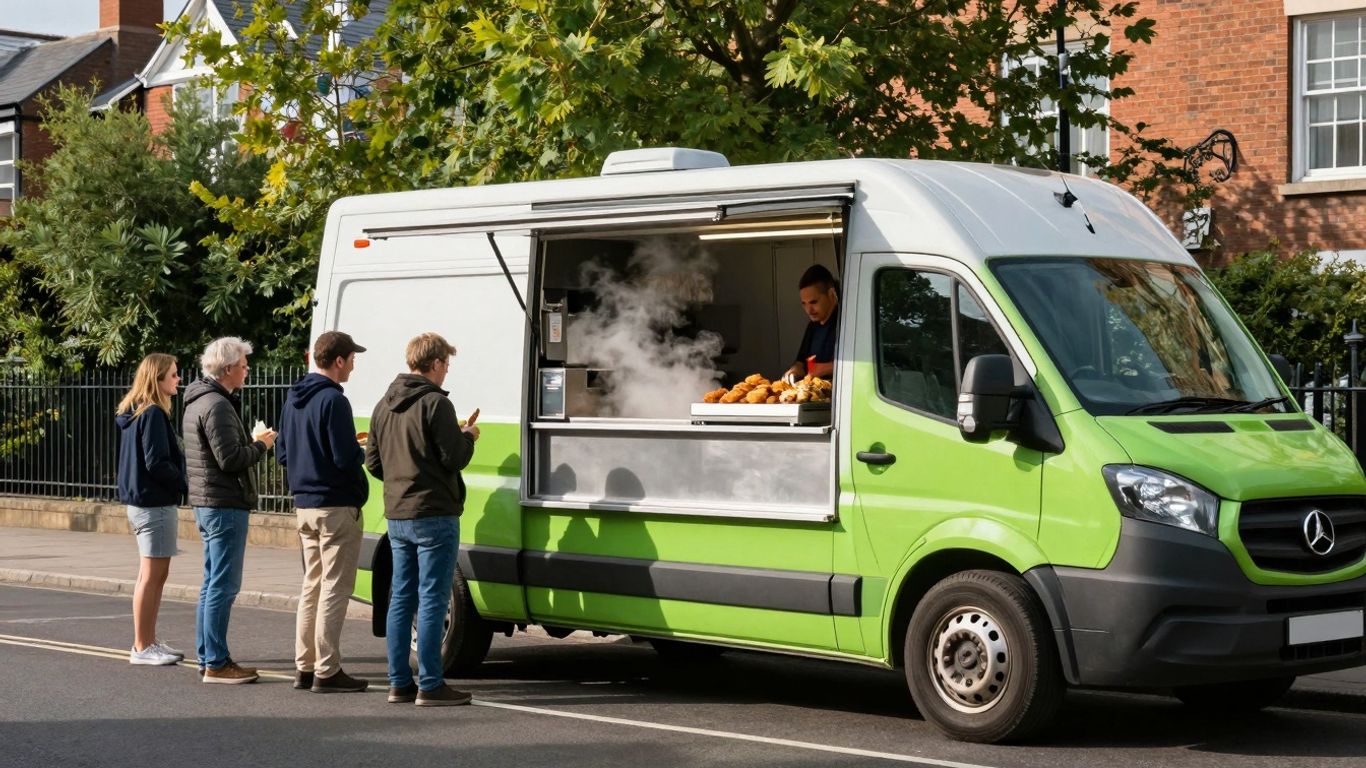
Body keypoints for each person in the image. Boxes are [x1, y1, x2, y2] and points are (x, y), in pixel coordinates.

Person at [366, 332, 480, 707]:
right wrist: (469, 436)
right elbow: (454, 457)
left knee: (401, 597)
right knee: (432, 598)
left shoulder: (384, 405)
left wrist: (402, 480)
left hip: (397, 514)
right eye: (446, 363)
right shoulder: (435, 403)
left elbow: (373, 463)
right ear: (433, 364)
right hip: (434, 513)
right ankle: (430, 684)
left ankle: (399, 683)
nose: (447, 370)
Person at [276, 331, 370, 694]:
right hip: (335, 504)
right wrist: (361, 452)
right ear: (339, 361)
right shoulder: (333, 400)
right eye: (352, 358)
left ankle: (305, 665)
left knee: (311, 585)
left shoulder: (293, 398)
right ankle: (328, 669)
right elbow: (344, 457)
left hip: (304, 504)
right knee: (335, 587)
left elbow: (283, 453)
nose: (354, 365)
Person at [182, 336, 276, 684]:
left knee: (212, 583)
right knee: (223, 585)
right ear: (227, 369)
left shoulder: (198, 400)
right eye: (243, 365)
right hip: (224, 503)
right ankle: (217, 663)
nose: (247, 370)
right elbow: (230, 459)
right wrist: (261, 444)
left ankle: (209, 656)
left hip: (209, 502)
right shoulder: (217, 405)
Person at [116, 353, 188, 667]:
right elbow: (156, 461)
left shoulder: (134, 412)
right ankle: (142, 646)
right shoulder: (154, 413)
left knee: (154, 575)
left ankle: (148, 641)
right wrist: (184, 481)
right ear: (157, 379)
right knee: (151, 576)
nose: (178, 379)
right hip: (154, 503)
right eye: (173, 375)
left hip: (142, 502)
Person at [783, 264, 840, 384]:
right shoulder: (812, 326)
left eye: (813, 302)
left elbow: (858, 364)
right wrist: (795, 370)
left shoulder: (846, 322)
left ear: (831, 294)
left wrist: (823, 368)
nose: (809, 310)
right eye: (804, 304)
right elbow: (801, 361)